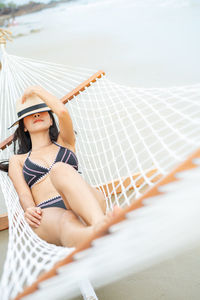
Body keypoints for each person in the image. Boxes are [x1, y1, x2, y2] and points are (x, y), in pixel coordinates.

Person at [3, 85, 120, 248]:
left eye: (41, 111)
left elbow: (62, 112)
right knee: (67, 220)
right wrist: (29, 209)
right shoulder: (18, 160)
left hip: (85, 201)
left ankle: (99, 223)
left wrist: (37, 91)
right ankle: (97, 231)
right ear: (24, 126)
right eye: (29, 114)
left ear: (51, 120)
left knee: (59, 168)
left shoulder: (65, 143)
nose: (36, 114)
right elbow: (23, 193)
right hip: (48, 212)